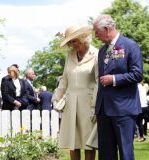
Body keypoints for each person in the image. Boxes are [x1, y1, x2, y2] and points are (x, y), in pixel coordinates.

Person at [93, 14, 143, 160]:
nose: (95, 36)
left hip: (123, 110)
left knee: (125, 153)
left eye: (97, 32)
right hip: (104, 110)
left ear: (107, 29)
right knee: (105, 153)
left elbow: (137, 74)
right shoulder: (102, 50)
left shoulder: (130, 46)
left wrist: (114, 79)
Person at [52, 24, 98, 160]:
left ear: (84, 38)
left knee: (88, 143)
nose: (72, 45)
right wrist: (56, 98)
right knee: (73, 143)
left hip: (89, 104)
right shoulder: (70, 55)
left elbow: (98, 82)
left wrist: (95, 105)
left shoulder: (96, 54)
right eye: (70, 42)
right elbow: (64, 80)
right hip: (71, 103)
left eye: (74, 41)